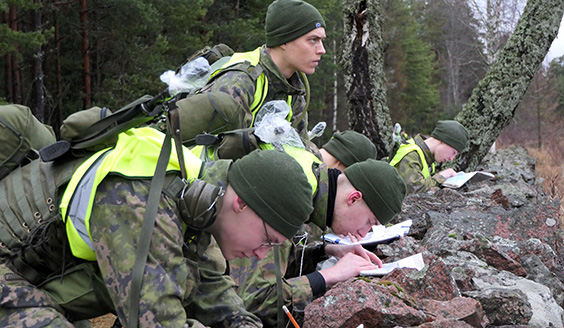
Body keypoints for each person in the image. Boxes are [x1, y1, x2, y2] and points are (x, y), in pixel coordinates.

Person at [0, 126, 314, 327]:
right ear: (242, 204)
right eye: (268, 240)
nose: (261, 255)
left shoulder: (197, 191)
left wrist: (240, 322)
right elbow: (158, 320)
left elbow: (205, 282)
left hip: (29, 276)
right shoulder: (141, 199)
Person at [229, 157, 407, 327]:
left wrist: (325, 251)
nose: (362, 234)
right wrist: (329, 275)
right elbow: (253, 299)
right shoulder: (291, 199)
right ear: (353, 198)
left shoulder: (308, 186)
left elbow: (275, 260)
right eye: (369, 222)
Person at [176, 0, 326, 159]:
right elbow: (201, 153)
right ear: (284, 40)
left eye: (322, 40)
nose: (321, 50)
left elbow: (299, 148)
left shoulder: (293, 88)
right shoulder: (239, 81)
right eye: (313, 40)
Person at [389, 120, 469, 194]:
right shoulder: (411, 156)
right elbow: (413, 189)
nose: (451, 159)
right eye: (453, 152)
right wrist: (441, 176)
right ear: (443, 141)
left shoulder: (425, 156)